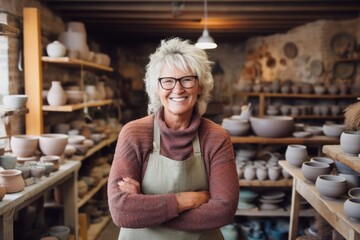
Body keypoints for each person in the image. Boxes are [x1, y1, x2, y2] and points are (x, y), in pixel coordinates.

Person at [107, 37, 239, 240]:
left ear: (200, 86)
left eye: (187, 79)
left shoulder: (216, 138)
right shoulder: (134, 133)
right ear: (156, 88)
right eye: (167, 80)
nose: (177, 89)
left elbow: (224, 209)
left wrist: (145, 206)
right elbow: (121, 210)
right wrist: (189, 200)